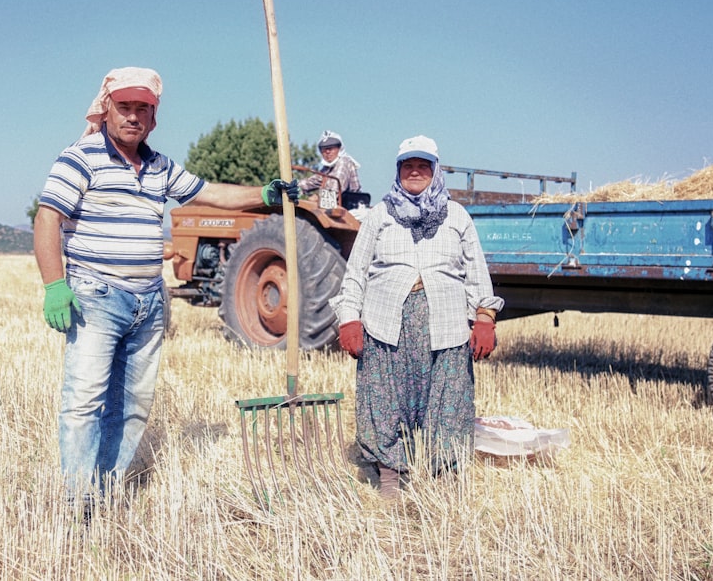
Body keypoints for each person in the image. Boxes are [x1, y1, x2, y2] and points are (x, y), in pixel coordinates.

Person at [34, 66, 299, 510]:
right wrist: (54, 285)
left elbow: (209, 193)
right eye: (125, 108)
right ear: (107, 109)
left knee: (133, 404)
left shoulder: (159, 167)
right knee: (84, 402)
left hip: (149, 303)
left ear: (154, 118)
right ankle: (78, 504)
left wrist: (265, 194)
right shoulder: (78, 158)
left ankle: (106, 491)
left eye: (143, 109)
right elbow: (47, 218)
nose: (133, 117)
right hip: (97, 298)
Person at [330, 135, 503, 500]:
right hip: (385, 321)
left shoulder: (457, 216)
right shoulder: (380, 215)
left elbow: (475, 270)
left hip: (447, 322)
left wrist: (485, 316)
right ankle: (391, 475)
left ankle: (446, 479)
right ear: (398, 171)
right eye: (407, 165)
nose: (414, 172)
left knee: (449, 402)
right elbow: (356, 272)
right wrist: (349, 318)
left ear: (435, 171)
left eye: (422, 166)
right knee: (383, 399)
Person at [299, 130, 362, 199]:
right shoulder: (327, 169)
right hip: (333, 205)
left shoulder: (343, 162)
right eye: (324, 149)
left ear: (339, 149)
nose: (327, 152)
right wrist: (294, 187)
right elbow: (311, 182)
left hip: (349, 206)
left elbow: (334, 191)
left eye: (330, 148)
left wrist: (317, 197)